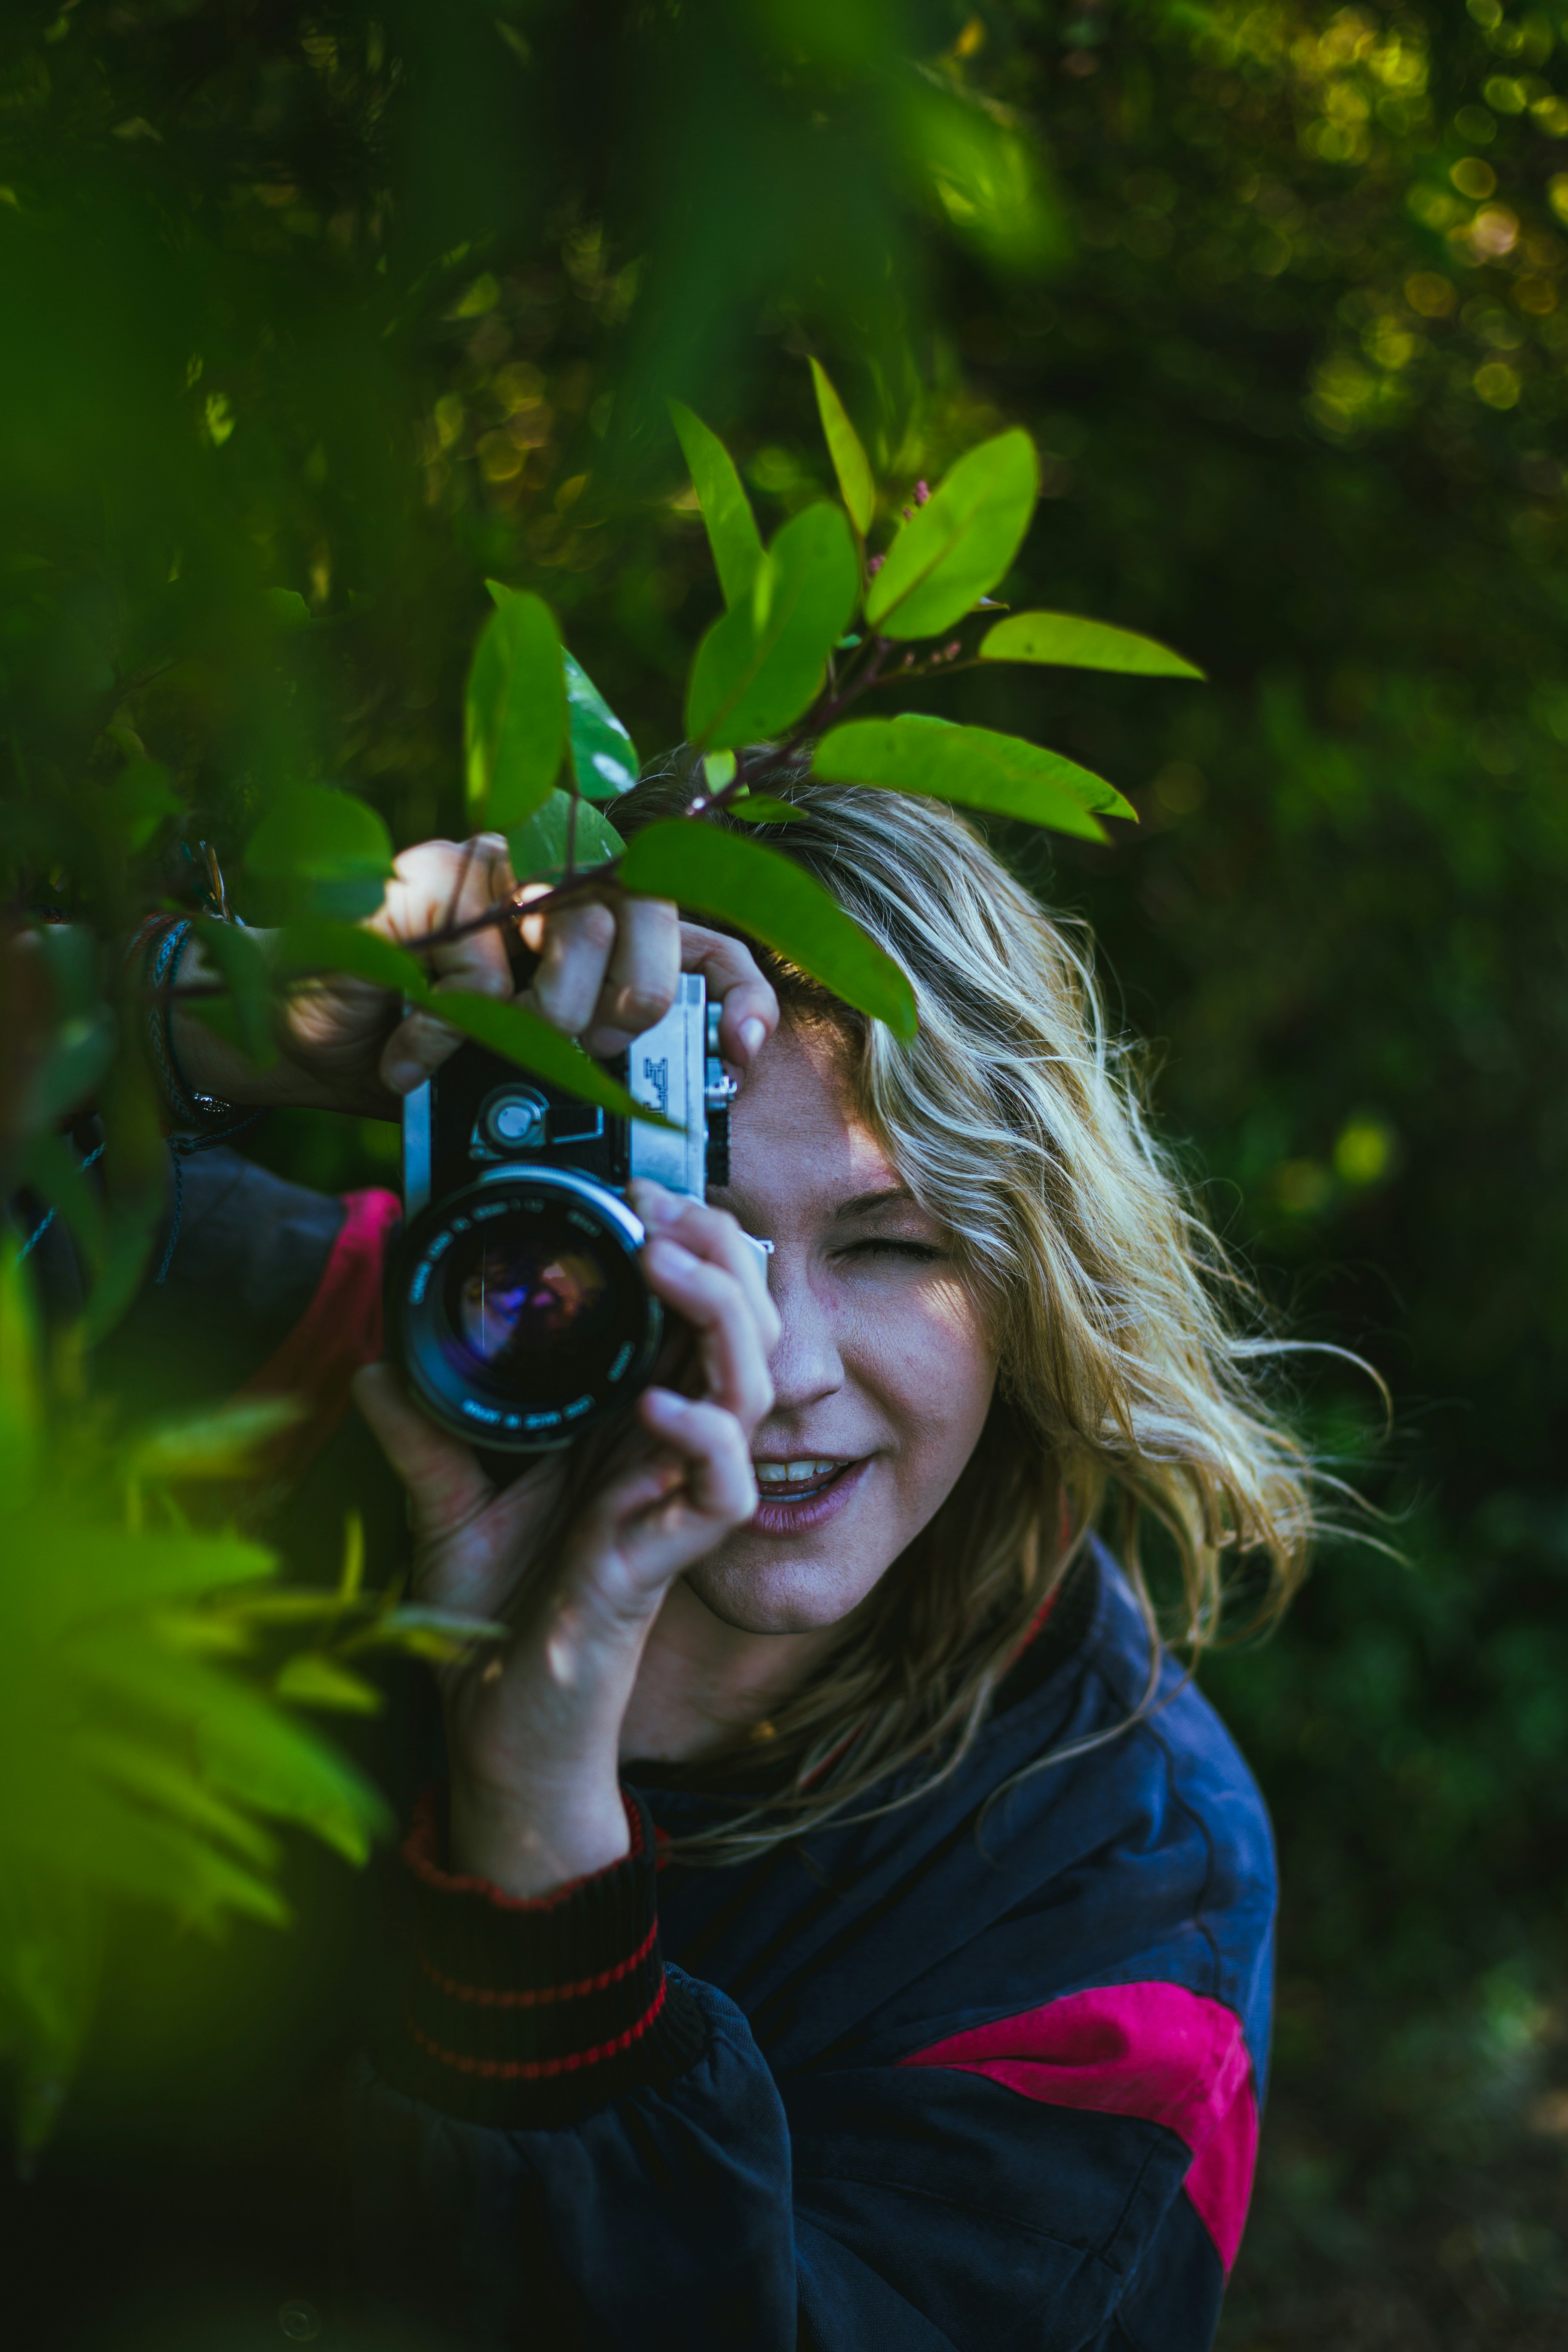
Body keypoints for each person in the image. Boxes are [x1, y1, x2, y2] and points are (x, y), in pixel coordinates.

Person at [129, 775, 1314, 2351]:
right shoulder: (331, 1361)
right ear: (533, 1210)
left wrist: (538, 1826)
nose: (780, 1364)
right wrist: (193, 1015)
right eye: (679, 1228)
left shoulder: (1116, 1895)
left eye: (894, 1248)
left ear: (1034, 1285)